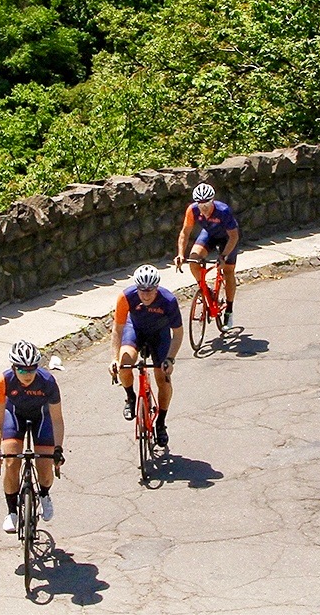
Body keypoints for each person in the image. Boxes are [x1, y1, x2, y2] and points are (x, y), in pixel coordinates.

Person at [0, 340, 64, 533]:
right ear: (14, 368)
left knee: (45, 466)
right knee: (10, 461)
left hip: (42, 418)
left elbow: (57, 419)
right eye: (22, 370)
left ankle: (45, 494)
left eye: (32, 369)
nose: (27, 375)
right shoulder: (3, 381)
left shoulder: (47, 382)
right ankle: (12, 511)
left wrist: (58, 449)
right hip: (14, 417)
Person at [109, 264, 184, 448]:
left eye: (150, 291)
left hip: (160, 335)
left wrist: (170, 359)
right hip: (134, 330)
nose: (146, 295)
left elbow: (178, 334)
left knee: (163, 378)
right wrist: (114, 358)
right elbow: (117, 330)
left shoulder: (168, 300)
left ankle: (160, 423)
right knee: (125, 364)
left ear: (157, 288)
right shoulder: (126, 297)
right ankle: (131, 397)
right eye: (141, 290)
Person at [174, 182, 241, 327]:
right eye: (200, 204)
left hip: (227, 239)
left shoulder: (223, 211)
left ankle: (229, 310)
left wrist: (223, 256)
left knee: (228, 271)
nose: (203, 207)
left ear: (213, 200)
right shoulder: (192, 210)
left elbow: (234, 237)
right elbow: (185, 233)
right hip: (209, 235)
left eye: (207, 203)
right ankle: (206, 291)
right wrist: (180, 254)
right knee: (193, 260)